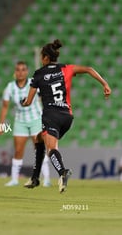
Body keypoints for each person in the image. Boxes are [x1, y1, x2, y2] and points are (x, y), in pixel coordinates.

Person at [21, 39, 111, 193]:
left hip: (51, 116)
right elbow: (89, 69)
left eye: (42, 56)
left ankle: (63, 172)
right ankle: (35, 178)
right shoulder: (66, 68)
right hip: (67, 117)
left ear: (45, 58)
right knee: (38, 138)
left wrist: (23, 102)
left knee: (51, 149)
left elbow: (28, 101)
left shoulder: (39, 74)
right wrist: (105, 84)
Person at [0, 61, 50, 187]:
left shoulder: (34, 83)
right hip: (20, 121)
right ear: (15, 72)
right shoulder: (10, 87)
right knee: (18, 150)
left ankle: (46, 179)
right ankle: (14, 179)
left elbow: (44, 98)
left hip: (36, 120)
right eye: (18, 70)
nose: (20, 72)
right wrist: (1, 124)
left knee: (39, 149)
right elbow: (5, 107)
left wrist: (47, 117)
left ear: (27, 72)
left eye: (23, 70)